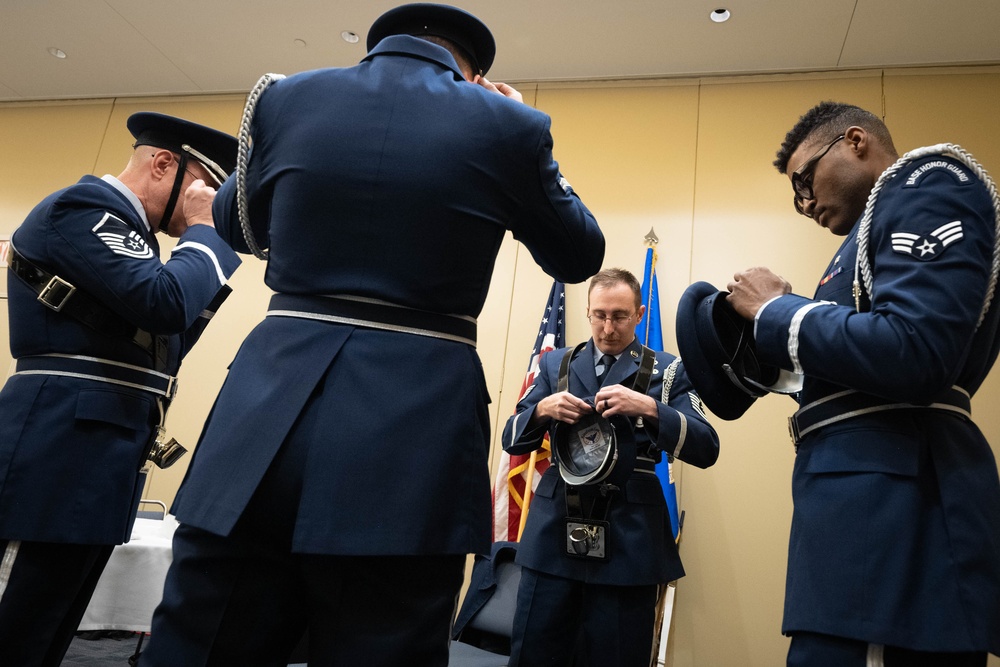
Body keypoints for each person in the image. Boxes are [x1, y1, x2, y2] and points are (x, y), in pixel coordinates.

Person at [141, 3, 604, 665]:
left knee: (207, 641)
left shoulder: (286, 97)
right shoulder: (508, 122)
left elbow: (239, 226)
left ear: (377, 47)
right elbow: (578, 252)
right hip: (411, 437)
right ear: (471, 72)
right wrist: (518, 135)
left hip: (262, 422)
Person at [726, 101, 1000, 666]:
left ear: (855, 141)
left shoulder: (928, 183)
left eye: (805, 179)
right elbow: (857, 371)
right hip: (856, 526)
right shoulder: (856, 245)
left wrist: (780, 311)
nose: (803, 204)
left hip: (895, 529)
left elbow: (916, 350)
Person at [0, 112, 240, 666]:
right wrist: (204, 235)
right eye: (207, 186)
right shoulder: (83, 208)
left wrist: (205, 243)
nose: (208, 205)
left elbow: (166, 344)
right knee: (16, 617)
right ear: (164, 164)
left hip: (99, 453)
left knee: (52, 623)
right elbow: (164, 305)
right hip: (56, 446)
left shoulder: (138, 240)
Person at [502, 268, 719, 667]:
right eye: (599, 315)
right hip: (553, 535)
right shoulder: (555, 366)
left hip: (628, 542)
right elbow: (510, 439)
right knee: (533, 653)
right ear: (587, 312)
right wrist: (542, 411)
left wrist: (651, 409)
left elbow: (707, 447)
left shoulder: (669, 371)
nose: (608, 327)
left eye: (619, 316)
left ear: (639, 314)